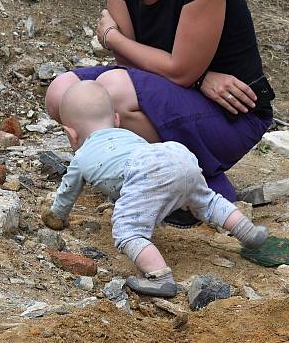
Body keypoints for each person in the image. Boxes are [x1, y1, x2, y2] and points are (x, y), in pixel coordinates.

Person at [45, 0, 275, 227]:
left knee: (113, 89)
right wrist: (187, 72)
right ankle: (137, 176)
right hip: (180, 89)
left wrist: (112, 36)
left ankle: (195, 187)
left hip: (232, 112)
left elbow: (175, 71)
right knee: (63, 91)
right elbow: (131, 61)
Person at [42, 81, 267, 297]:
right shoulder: (129, 136)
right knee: (207, 202)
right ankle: (248, 232)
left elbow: (67, 193)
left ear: (70, 134)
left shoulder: (81, 156)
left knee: (127, 231)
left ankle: (159, 277)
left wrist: (57, 216)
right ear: (117, 119)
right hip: (177, 155)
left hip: (146, 170)